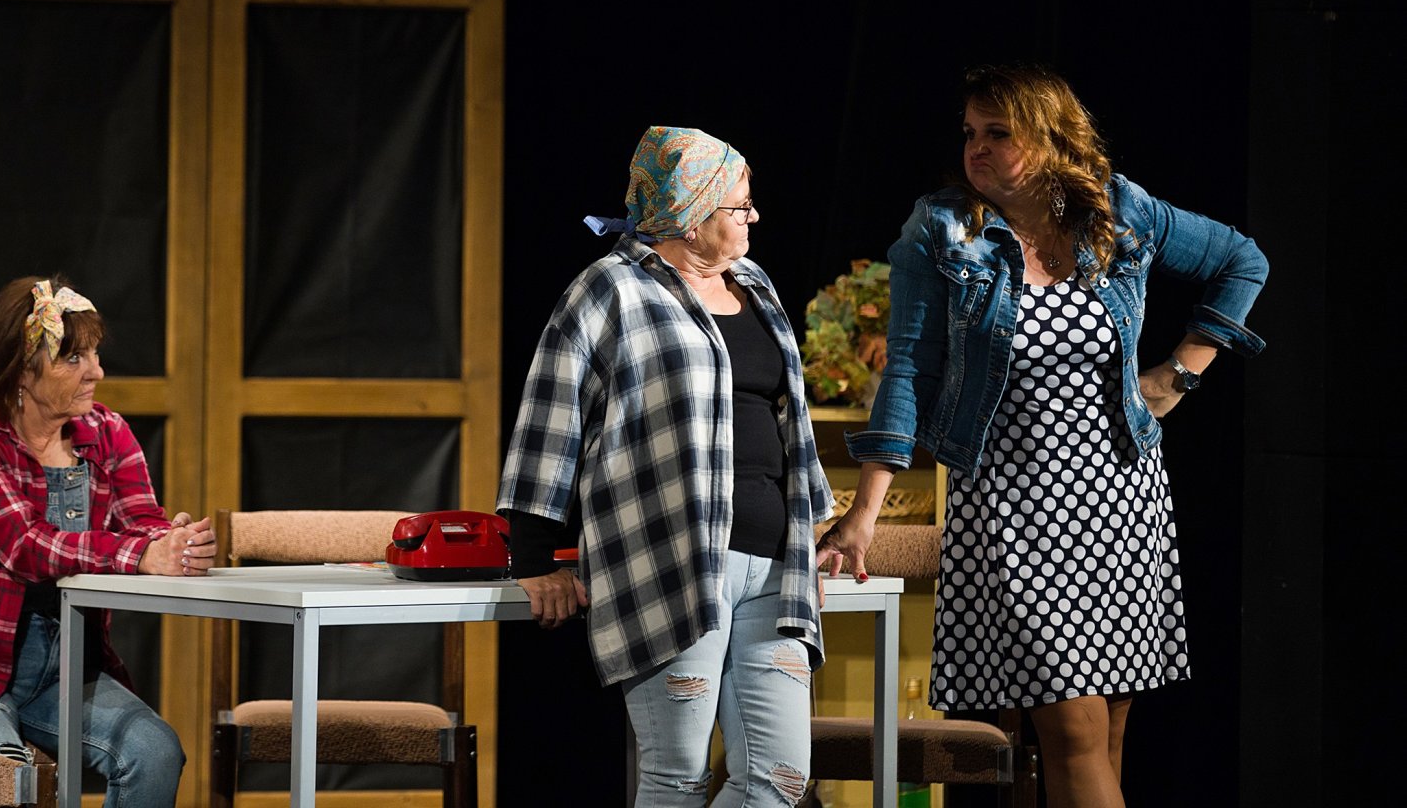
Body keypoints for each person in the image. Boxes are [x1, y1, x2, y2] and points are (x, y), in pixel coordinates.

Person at [817, 63, 1268, 807]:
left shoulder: (1119, 211)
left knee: (1108, 732)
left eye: (998, 133)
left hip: (1121, 497)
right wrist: (865, 511)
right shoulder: (943, 230)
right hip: (1013, 507)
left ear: (1052, 137)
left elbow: (1242, 261)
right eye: (970, 133)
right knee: (1073, 735)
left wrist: (1179, 373)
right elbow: (908, 369)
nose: (977, 148)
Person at [497, 125, 833, 807]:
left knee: (782, 778)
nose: (754, 217)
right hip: (669, 562)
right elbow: (551, 416)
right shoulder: (610, 289)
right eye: (740, 205)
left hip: (773, 564)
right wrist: (533, 557)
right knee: (677, 776)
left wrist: (813, 531)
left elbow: (788, 417)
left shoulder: (756, 285)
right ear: (690, 215)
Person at [0, 275, 216, 808]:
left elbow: (140, 519)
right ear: (22, 368)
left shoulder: (106, 431)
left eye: (95, 353)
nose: (97, 371)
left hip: (62, 674)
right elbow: (25, 546)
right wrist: (143, 554)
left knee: (154, 752)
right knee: (11, 779)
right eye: (73, 358)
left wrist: (173, 541)